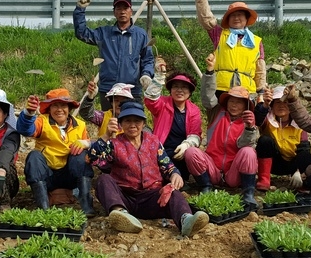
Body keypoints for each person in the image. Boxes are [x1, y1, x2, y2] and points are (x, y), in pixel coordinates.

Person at [88, 101, 209, 237]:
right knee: (103, 180)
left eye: (137, 121)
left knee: (173, 193)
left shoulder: (153, 141)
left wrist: (175, 174)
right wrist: (106, 135)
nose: (132, 125)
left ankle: (186, 220)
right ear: (120, 124)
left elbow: (167, 165)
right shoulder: (113, 144)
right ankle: (121, 214)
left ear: (144, 124)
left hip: (151, 198)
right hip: (125, 197)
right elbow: (94, 158)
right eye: (127, 121)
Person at [184, 54, 259, 207]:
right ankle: (206, 187)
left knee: (249, 152)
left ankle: (248, 192)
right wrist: (210, 72)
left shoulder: (248, 121)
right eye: (232, 101)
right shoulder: (216, 113)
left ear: (246, 106)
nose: (234, 105)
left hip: (234, 173)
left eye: (239, 103)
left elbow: (243, 145)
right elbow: (207, 96)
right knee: (191, 152)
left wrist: (250, 128)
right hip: (213, 169)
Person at [17, 88, 95, 217]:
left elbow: (91, 146)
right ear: (49, 108)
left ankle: (87, 206)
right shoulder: (42, 121)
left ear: (69, 108)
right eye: (55, 106)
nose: (59, 109)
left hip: (70, 176)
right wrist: (28, 114)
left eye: (63, 105)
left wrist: (86, 143)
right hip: (48, 176)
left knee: (80, 154)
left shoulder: (80, 125)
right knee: (34, 156)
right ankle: (44, 208)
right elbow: (26, 130)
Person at [73, 0, 155, 110]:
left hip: (132, 90)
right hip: (108, 91)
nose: (122, 11)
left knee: (133, 125)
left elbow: (148, 59)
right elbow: (82, 33)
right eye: (119, 8)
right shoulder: (104, 33)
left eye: (125, 8)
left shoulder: (140, 35)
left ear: (131, 11)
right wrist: (80, 10)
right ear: (114, 12)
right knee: (108, 124)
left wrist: (146, 74)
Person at [192, 0, 266, 97]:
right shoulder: (219, 34)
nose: (236, 18)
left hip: (247, 91)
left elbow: (260, 70)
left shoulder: (256, 41)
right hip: (221, 88)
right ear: (228, 18)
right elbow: (205, 17)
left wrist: (261, 92)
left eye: (240, 15)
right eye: (233, 15)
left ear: (246, 19)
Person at [144, 71, 202, 188]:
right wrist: (159, 76)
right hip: (161, 151)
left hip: (181, 153)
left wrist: (186, 145)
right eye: (175, 86)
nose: (179, 90)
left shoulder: (194, 110)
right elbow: (151, 99)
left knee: (186, 158)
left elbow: (195, 134)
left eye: (184, 87)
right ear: (170, 90)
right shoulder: (163, 103)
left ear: (190, 92)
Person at [253, 86, 311, 191]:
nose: (281, 106)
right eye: (277, 103)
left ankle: (302, 178)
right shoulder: (267, 120)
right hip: (274, 162)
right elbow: (257, 119)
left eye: (285, 103)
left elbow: (304, 149)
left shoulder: (299, 125)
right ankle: (264, 179)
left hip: (292, 164)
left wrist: (298, 171)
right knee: (265, 140)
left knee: (307, 154)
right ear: (272, 106)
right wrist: (265, 104)